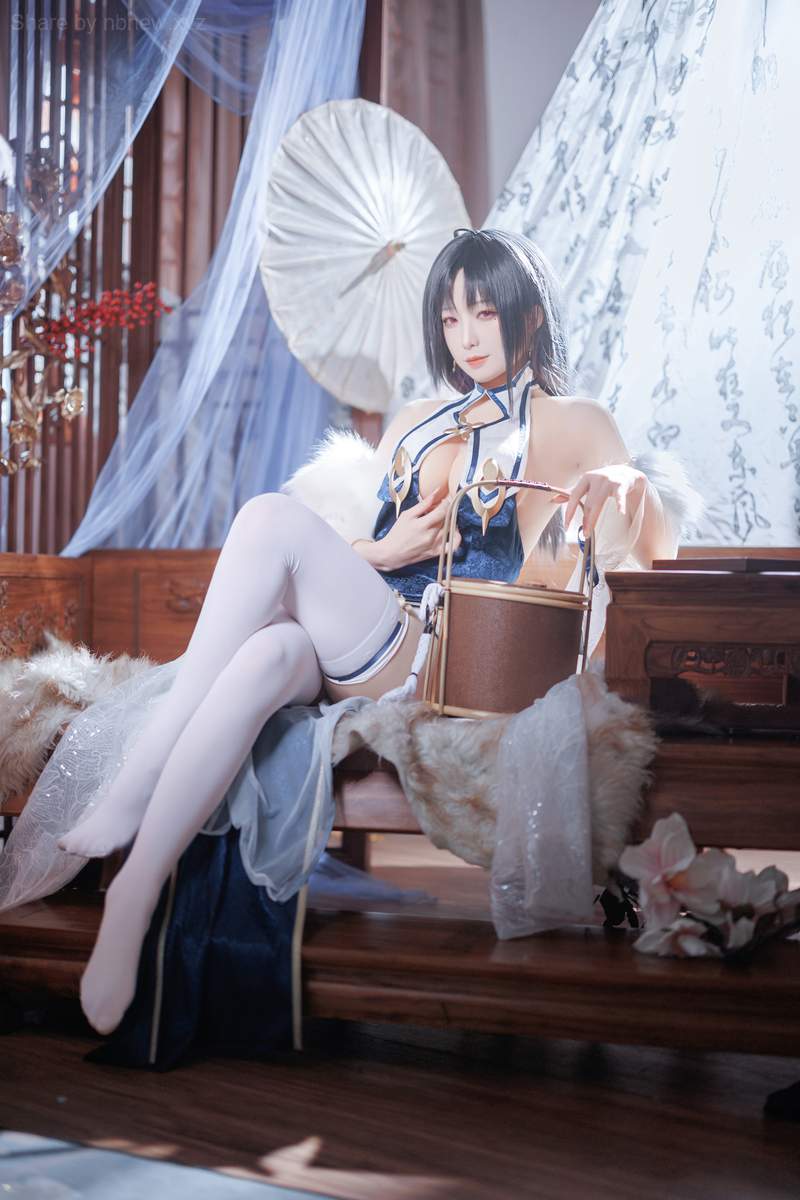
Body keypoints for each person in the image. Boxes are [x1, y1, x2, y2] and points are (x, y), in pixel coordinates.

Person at [8, 229, 677, 1037]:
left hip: (440, 653)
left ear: (530, 317)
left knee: (267, 518)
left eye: (484, 313)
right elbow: (355, 551)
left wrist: (626, 483)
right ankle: (135, 888)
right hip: (366, 628)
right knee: (268, 652)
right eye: (450, 318)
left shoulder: (574, 420)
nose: (465, 337)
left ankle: (142, 771)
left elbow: (651, 539)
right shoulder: (418, 419)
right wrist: (382, 550)